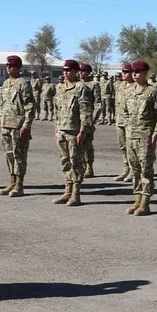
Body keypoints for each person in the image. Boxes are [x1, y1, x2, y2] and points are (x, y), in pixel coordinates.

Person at [123, 60, 157, 216]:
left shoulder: (152, 92)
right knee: (135, 170)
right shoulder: (128, 91)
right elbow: (125, 113)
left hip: (145, 138)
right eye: (132, 71)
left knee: (146, 171)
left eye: (137, 71)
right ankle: (137, 200)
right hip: (131, 137)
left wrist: (156, 134)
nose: (134, 74)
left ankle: (145, 203)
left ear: (145, 73)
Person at [53, 59, 93, 206]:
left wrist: (83, 131)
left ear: (76, 72)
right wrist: (56, 129)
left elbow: (86, 112)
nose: (65, 73)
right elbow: (57, 110)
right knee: (65, 162)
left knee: (76, 163)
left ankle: (76, 194)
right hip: (62, 131)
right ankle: (67, 191)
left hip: (75, 131)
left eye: (68, 70)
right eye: (64, 70)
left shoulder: (81, 88)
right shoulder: (60, 88)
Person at [0, 55, 36, 196]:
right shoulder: (6, 83)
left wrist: (26, 125)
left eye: (11, 66)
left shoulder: (23, 84)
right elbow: (3, 105)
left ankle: (19, 185)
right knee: (9, 155)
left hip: (18, 126)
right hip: (6, 125)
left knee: (19, 155)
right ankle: (12, 181)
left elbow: (30, 107)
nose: (8, 68)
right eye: (7, 65)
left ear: (18, 68)